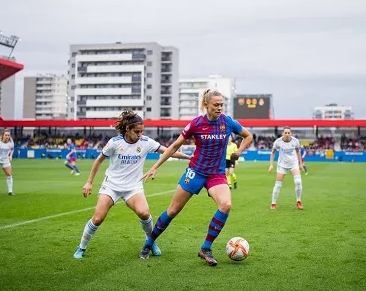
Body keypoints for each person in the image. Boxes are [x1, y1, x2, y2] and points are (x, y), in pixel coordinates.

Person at [138, 89, 253, 266]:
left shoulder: (228, 122)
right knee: (173, 211)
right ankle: (148, 243)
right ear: (205, 105)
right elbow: (175, 145)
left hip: (216, 174)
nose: (220, 108)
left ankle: (206, 248)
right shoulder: (196, 124)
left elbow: (248, 136)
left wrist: (238, 151)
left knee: (226, 205)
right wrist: (155, 166)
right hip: (196, 173)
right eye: (216, 105)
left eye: (221, 104)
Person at [73, 110, 192, 259]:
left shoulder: (146, 142)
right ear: (128, 129)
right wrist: (89, 182)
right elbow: (98, 161)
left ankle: (150, 242)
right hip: (111, 186)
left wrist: (189, 157)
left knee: (144, 213)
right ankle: (81, 247)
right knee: (98, 218)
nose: (140, 134)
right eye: (137, 131)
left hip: (133, 187)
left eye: (142, 131)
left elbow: (169, 151)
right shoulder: (114, 143)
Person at [269, 127, 305, 210]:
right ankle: (273, 203)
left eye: (289, 133)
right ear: (283, 134)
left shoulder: (295, 141)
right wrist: (271, 165)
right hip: (282, 165)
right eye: (285, 133)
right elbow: (273, 152)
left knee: (298, 182)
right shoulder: (278, 142)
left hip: (293, 164)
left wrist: (301, 164)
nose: (287, 134)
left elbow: (298, 151)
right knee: (278, 185)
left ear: (291, 133)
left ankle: (298, 201)